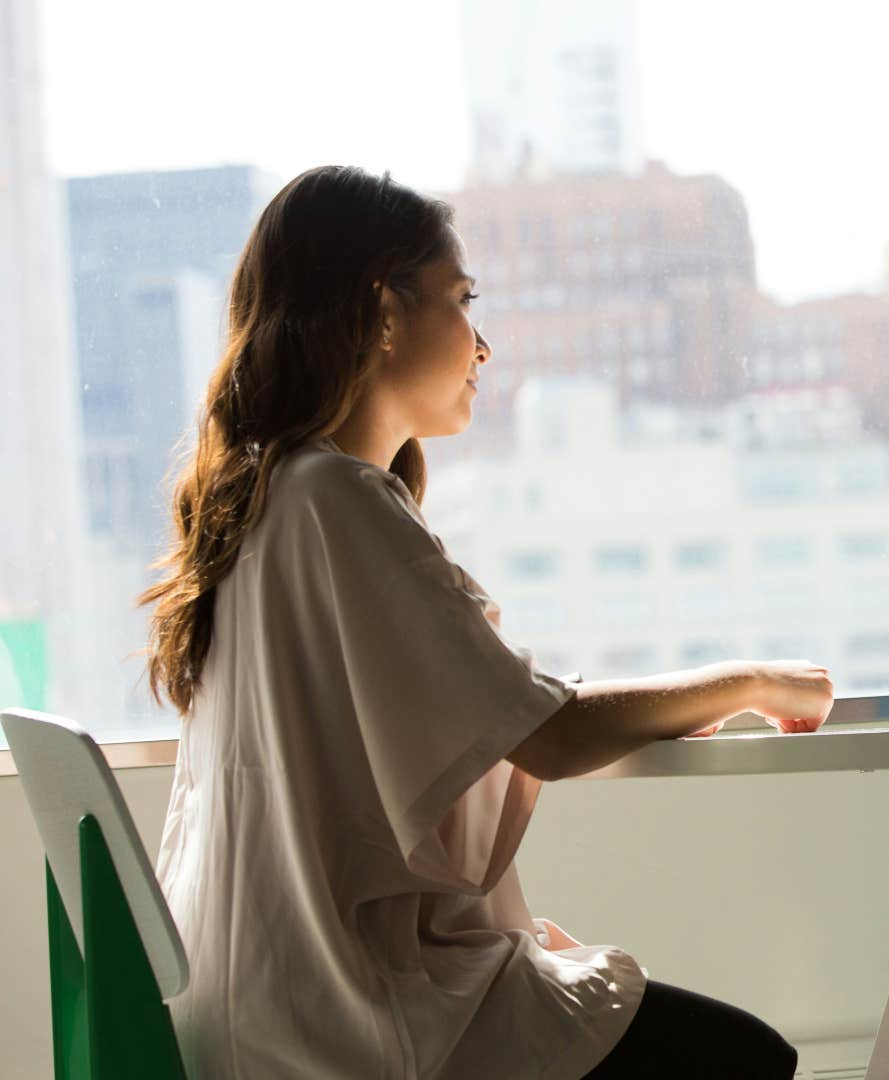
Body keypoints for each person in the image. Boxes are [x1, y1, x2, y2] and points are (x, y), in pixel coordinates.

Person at [142, 165, 833, 1079]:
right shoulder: (332, 500)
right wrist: (753, 681)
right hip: (349, 1017)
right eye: (463, 300)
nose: (485, 344)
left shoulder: (268, 500)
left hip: (264, 1005)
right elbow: (546, 730)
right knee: (746, 1059)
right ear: (382, 311)